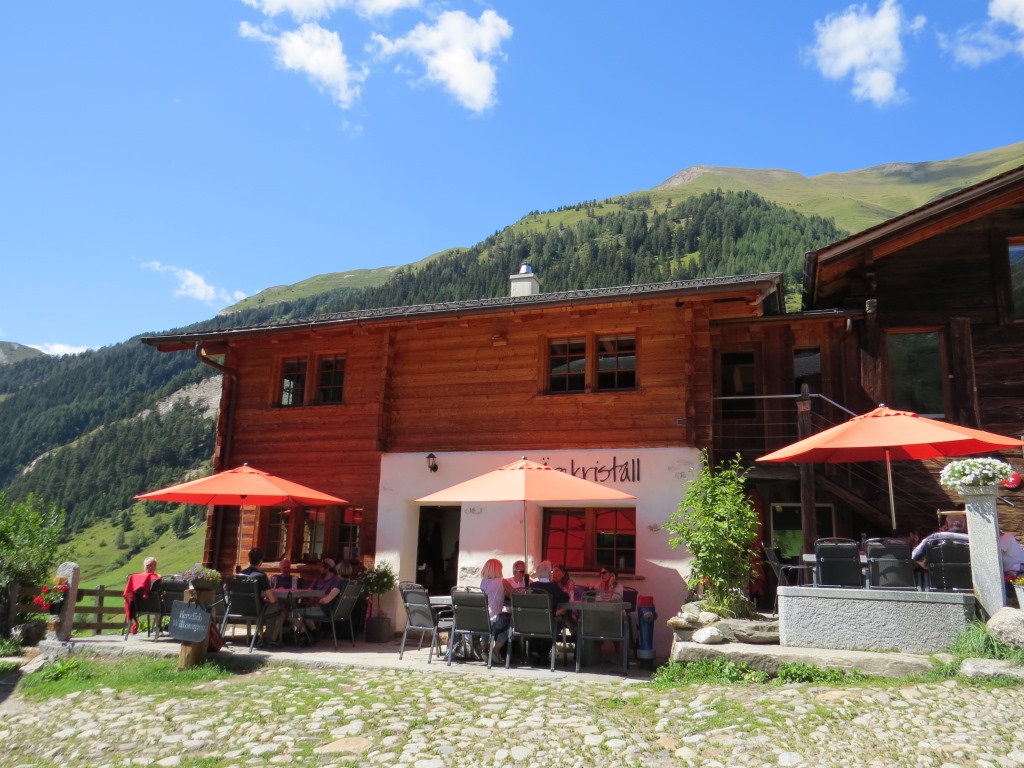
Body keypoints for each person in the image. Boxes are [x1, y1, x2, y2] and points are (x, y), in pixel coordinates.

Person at [520, 561, 570, 662]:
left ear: (538, 574)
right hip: (548, 624)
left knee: (538, 622)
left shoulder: (531, 586)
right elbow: (566, 597)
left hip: (532, 623)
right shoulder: (554, 587)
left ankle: (535, 652)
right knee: (554, 623)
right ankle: (543, 654)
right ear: (549, 573)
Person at [239, 547, 284, 645]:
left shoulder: (240, 574)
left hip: (240, 609)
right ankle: (273, 638)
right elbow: (272, 600)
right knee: (282, 606)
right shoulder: (261, 576)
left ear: (249, 559)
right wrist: (269, 599)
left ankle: (262, 636)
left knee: (258, 603)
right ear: (261, 561)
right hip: (257, 610)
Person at [297, 558, 344, 635]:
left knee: (294, 613)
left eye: (322, 567)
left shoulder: (335, 580)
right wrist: (311, 595)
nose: (320, 568)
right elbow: (309, 590)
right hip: (313, 605)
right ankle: (312, 634)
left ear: (327, 568)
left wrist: (317, 597)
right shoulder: (319, 578)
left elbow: (331, 596)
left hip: (325, 608)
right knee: (299, 611)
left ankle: (307, 634)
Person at [480, 558, 512, 660]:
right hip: (496, 621)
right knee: (512, 623)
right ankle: (496, 650)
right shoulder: (502, 581)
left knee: (486, 622)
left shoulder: (483, 582)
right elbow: (516, 596)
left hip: (482, 621)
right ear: (498, 570)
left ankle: (484, 650)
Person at [122, 556, 161, 635]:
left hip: (138, 606)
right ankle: (158, 629)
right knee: (162, 605)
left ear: (156, 567)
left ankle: (157, 628)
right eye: (149, 565)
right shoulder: (157, 578)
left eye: (153, 565)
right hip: (154, 606)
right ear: (144, 566)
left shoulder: (134, 578)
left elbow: (128, 593)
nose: (151, 567)